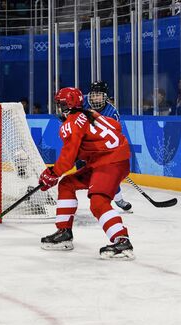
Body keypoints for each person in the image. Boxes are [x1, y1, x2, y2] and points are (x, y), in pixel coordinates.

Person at [39, 87, 134, 260]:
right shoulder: (90, 114)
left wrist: (51, 173)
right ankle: (64, 232)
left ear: (66, 105)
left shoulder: (71, 123)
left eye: (59, 104)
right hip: (108, 160)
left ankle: (122, 241)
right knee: (67, 184)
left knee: (98, 202)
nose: (58, 108)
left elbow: (67, 160)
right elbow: (116, 126)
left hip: (109, 162)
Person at [83, 81, 132, 212]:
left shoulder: (112, 113)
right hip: (82, 144)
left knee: (109, 174)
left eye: (99, 95)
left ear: (105, 96)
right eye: (93, 95)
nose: (95, 98)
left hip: (101, 146)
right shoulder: (83, 102)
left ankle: (117, 198)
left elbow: (114, 136)